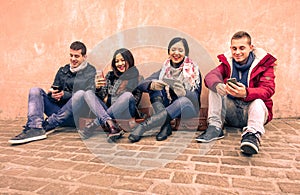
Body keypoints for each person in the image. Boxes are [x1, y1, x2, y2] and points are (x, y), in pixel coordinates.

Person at [195, 31, 276, 155]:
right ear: (231, 49)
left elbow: (268, 89)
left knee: (259, 101)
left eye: (242, 48)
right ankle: (215, 127)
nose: (237, 52)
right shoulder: (227, 63)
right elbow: (211, 76)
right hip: (231, 112)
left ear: (251, 48)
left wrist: (246, 93)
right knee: (214, 87)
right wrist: (218, 85)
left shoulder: (264, 65)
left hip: (251, 113)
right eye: (234, 48)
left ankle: (252, 136)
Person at [9, 41, 96, 144]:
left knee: (80, 94)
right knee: (35, 90)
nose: (73, 59)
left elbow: (89, 94)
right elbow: (53, 89)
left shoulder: (90, 71)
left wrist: (65, 95)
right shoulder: (63, 70)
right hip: (58, 111)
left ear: (84, 57)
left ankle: (48, 124)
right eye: (71, 55)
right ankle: (35, 127)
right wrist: (52, 94)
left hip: (75, 116)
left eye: (76, 56)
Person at [128, 37, 202, 143]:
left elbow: (196, 99)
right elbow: (140, 85)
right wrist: (152, 85)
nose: (176, 53)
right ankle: (165, 126)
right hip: (169, 110)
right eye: (173, 50)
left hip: (187, 109)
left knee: (183, 101)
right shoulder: (164, 70)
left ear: (186, 53)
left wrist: (185, 93)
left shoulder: (193, 71)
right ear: (169, 52)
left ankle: (144, 126)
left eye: (180, 50)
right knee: (155, 87)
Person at [78, 48, 142, 141]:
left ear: (129, 60)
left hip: (126, 112)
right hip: (107, 110)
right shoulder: (110, 76)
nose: (119, 64)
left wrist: (110, 98)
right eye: (117, 61)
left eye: (122, 60)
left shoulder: (138, 78)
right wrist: (98, 88)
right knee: (88, 93)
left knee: (127, 96)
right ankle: (111, 124)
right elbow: (102, 95)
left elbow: (134, 100)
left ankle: (94, 125)